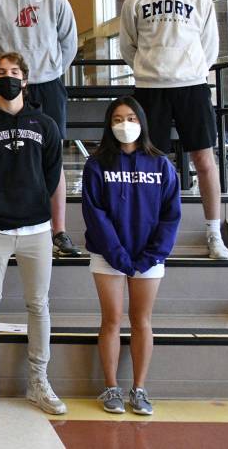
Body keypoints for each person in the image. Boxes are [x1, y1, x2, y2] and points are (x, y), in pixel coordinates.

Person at [0, 52, 67, 416]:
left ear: (25, 80)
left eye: (14, 72)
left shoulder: (45, 124)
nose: (8, 77)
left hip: (37, 229)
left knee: (39, 306)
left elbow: (52, 175)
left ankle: (38, 381)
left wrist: (40, 207)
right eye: (1, 73)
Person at [120, 0, 228, 259]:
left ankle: (214, 234)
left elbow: (209, 47)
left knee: (204, 161)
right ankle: (149, 231)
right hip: (151, 89)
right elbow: (129, 47)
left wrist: (189, 69)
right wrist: (152, 68)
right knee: (150, 164)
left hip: (191, 87)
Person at [0, 0, 80, 257]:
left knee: (52, 159)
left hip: (46, 84)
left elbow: (69, 44)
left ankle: (58, 230)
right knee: (5, 152)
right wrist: (4, 75)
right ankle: (3, 220)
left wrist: (48, 69)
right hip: (7, 85)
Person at [82, 96, 180, 416]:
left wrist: (151, 255)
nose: (125, 125)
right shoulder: (96, 165)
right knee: (111, 320)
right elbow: (94, 214)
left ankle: (138, 390)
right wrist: (118, 256)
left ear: (142, 122)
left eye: (132, 118)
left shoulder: (162, 164)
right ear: (109, 125)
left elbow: (170, 215)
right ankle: (111, 388)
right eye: (118, 119)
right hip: (108, 255)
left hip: (148, 258)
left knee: (141, 321)